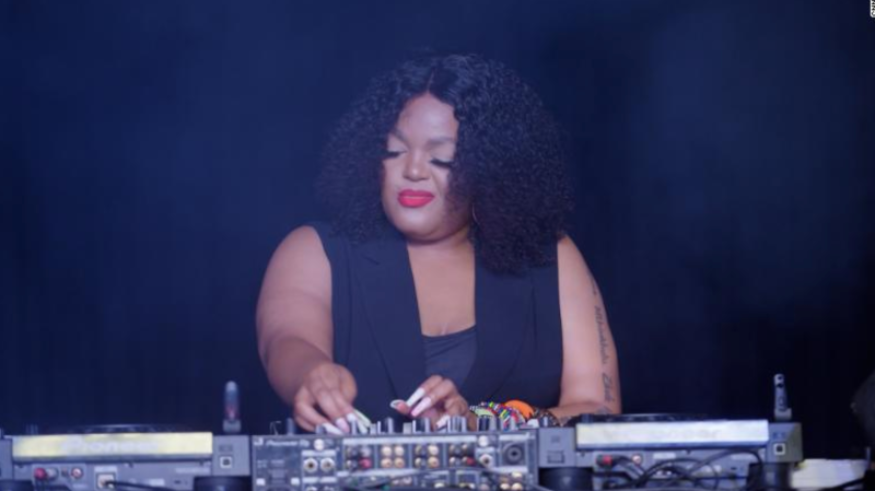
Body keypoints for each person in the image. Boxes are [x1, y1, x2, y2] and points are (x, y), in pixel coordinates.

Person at [256, 53, 620, 434]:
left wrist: (480, 423)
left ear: (490, 166)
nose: (413, 170)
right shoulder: (314, 251)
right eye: (394, 151)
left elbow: (598, 408)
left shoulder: (551, 257)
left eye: (442, 158)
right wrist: (312, 374)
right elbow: (285, 340)